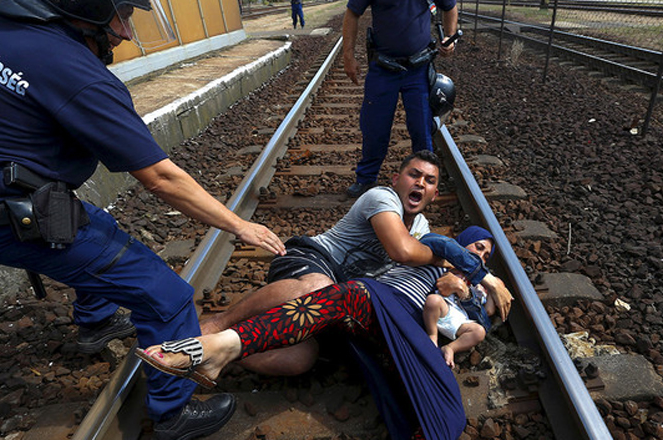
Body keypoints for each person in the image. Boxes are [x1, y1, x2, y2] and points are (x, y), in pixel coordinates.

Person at [0, 1, 285, 439]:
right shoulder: (76, 73)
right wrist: (238, 225)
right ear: (87, 7)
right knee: (167, 296)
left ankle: (96, 322)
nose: (124, 33)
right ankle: (174, 415)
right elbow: (159, 177)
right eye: (121, 15)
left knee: (91, 224)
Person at [136, 226, 513, 440]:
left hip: (407, 341)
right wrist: (483, 275)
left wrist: (470, 294)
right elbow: (444, 244)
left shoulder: (473, 294)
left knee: (446, 421)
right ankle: (225, 345)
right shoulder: (432, 251)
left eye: (486, 255)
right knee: (352, 295)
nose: (479, 256)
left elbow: (486, 322)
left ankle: (223, 348)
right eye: (476, 247)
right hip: (378, 307)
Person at [199, 150, 447, 374]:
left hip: (336, 300)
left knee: (299, 359)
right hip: (312, 259)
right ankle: (218, 324)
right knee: (319, 287)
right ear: (396, 179)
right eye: (414, 175)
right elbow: (402, 251)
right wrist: (441, 259)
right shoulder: (382, 196)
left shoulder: (422, 228)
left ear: (434, 195)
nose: (420, 183)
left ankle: (221, 349)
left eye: (429, 181)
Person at [342, 0, 459, 198]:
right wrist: (348, 55)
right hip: (383, 68)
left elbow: (449, 7)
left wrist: (449, 37)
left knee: (421, 127)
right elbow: (352, 14)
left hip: (418, 68)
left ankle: (426, 180)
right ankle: (366, 179)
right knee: (374, 127)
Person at [423, 226, 497, 368]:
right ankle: (432, 336)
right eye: (479, 247)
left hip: (458, 318)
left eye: (486, 256)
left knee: (479, 332)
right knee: (433, 300)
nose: (480, 257)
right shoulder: (441, 260)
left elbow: (488, 313)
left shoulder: (478, 282)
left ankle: (450, 347)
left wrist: (494, 289)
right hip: (440, 308)